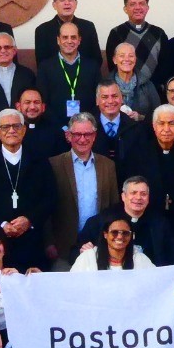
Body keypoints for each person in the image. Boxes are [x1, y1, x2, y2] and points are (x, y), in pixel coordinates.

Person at [0, 109, 56, 273]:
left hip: (31, 243)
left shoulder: (40, 161)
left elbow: (50, 198)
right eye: (5, 127)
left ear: (24, 130)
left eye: (16, 126)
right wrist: (1, 224)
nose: (11, 130)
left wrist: (29, 220)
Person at [120, 104, 174, 236]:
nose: (166, 129)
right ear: (154, 126)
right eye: (161, 124)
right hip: (149, 225)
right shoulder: (137, 154)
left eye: (171, 124)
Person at [49, 114, 118, 267]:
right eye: (77, 134)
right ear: (68, 136)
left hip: (99, 245)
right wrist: (49, 243)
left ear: (94, 136)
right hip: (63, 248)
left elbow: (114, 206)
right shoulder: (54, 165)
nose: (82, 139)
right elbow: (46, 207)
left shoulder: (108, 165)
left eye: (87, 134)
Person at [79, 177, 174, 266]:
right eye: (133, 193)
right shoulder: (102, 221)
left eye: (143, 194)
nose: (138, 198)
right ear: (123, 196)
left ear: (148, 198)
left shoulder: (159, 223)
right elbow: (74, 252)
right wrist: (84, 250)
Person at [37, 21, 97, 130]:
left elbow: (97, 100)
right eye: (65, 37)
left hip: (87, 128)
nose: (69, 41)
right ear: (58, 40)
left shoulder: (92, 66)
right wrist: (63, 128)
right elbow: (43, 103)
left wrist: (84, 125)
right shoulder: (45, 67)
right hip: (55, 128)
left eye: (73, 37)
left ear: (79, 40)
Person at [103, 0, 167, 81]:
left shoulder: (159, 33)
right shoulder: (116, 33)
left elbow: (165, 65)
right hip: (124, 88)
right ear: (125, 9)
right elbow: (112, 65)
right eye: (132, 4)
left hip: (153, 89)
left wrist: (151, 86)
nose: (138, 7)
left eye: (141, 3)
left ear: (147, 8)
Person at [33, 0, 101, 69]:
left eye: (70, 0)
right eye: (62, 0)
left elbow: (97, 59)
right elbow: (41, 64)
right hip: (55, 78)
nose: (67, 3)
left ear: (76, 4)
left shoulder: (88, 27)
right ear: (54, 5)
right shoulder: (43, 30)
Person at [71, 214, 154, 271]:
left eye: (125, 233)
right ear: (105, 234)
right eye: (114, 232)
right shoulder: (88, 258)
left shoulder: (140, 260)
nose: (120, 236)